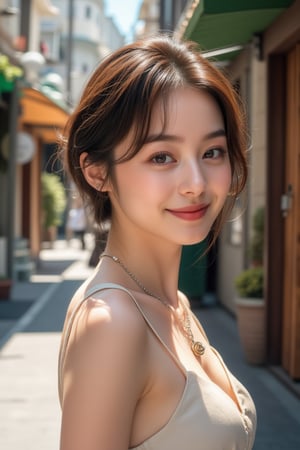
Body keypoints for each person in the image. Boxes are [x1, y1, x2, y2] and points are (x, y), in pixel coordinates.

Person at [58, 34, 257, 450]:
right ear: (98, 172)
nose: (196, 185)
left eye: (213, 151)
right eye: (162, 157)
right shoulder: (113, 323)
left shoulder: (172, 304)